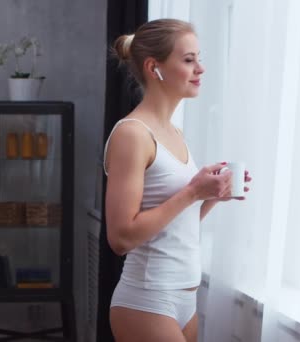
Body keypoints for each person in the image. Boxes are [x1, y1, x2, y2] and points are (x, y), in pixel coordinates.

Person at [104, 19, 252, 342]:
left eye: (199, 58)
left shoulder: (175, 134)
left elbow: (172, 229)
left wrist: (211, 195)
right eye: (189, 60)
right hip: (146, 300)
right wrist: (192, 192)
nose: (201, 68)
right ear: (154, 67)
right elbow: (121, 237)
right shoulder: (132, 134)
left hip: (184, 299)